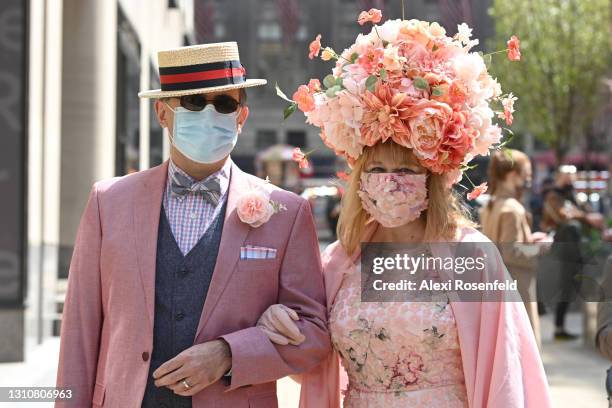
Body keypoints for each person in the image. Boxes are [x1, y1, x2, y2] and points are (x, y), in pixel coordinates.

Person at [257, 13, 551, 408]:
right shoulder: (339, 262)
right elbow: (314, 366)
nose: (390, 181)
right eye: (377, 169)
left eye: (406, 169)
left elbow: (505, 374)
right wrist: (283, 327)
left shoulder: (472, 256)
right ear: (359, 178)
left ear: (431, 176)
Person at [55, 42, 330, 407]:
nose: (209, 114)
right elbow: (79, 332)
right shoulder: (109, 202)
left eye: (225, 104)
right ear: (162, 114)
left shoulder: (286, 211)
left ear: (242, 117)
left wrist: (229, 354)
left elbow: (313, 331)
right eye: (194, 103)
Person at [480, 149, 550, 349]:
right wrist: (539, 249)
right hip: (517, 287)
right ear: (513, 175)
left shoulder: (491, 206)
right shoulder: (512, 209)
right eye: (527, 173)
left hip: (498, 287)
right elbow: (510, 252)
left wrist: (528, 239)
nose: (529, 178)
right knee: (524, 348)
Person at [542, 166, 603, 340]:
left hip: (575, 250)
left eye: (573, 176)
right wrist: (584, 216)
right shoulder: (553, 195)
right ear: (559, 177)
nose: (571, 180)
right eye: (567, 176)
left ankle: (561, 328)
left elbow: (587, 212)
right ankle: (559, 328)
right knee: (564, 287)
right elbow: (564, 215)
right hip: (561, 251)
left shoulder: (573, 195)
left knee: (571, 288)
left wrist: (594, 219)